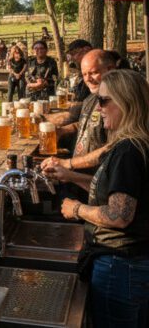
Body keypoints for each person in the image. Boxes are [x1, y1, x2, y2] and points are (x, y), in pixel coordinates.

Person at [47, 70, 149, 327]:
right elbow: (117, 192)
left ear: (126, 102)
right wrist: (70, 176)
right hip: (129, 264)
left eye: (104, 101)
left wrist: (77, 209)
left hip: (120, 265)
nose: (99, 108)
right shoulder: (132, 143)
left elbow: (119, 215)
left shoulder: (128, 151)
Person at [41, 50, 116, 174]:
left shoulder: (116, 103)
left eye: (93, 73)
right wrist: (62, 130)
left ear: (110, 69)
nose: (88, 79)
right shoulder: (91, 98)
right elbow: (87, 124)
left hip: (97, 180)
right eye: (84, 74)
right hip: (76, 175)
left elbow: (113, 147)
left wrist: (68, 163)